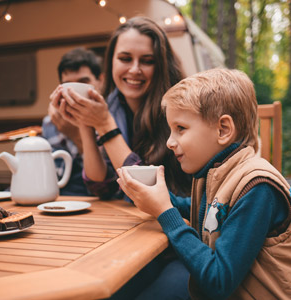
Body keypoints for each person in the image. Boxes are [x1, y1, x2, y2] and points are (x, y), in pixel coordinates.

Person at [117, 68, 291, 299]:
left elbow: (217, 281)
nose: (170, 142)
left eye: (180, 129)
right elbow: (208, 211)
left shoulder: (257, 187)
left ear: (223, 130)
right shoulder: (219, 172)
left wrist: (165, 212)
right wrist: (152, 196)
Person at [50, 16, 191, 200]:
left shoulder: (177, 110)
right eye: (125, 59)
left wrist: (105, 125)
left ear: (161, 66)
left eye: (147, 61)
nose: (134, 69)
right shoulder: (113, 105)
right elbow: (101, 186)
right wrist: (85, 121)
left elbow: (147, 190)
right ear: (111, 63)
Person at [42, 47, 104, 196]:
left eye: (83, 82)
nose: (74, 93)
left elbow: (102, 184)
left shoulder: (109, 119)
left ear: (100, 81)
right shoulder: (51, 122)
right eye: (68, 85)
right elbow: (51, 174)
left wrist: (76, 135)